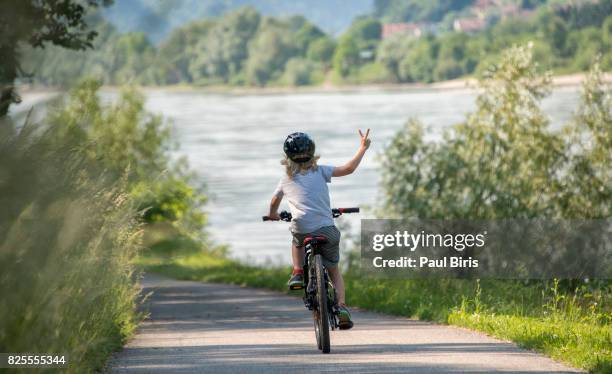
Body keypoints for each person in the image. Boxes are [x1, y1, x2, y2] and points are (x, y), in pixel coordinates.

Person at [266, 129, 371, 330]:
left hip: (302, 228)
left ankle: (297, 272)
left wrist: (273, 214)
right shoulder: (321, 171)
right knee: (333, 270)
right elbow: (348, 169)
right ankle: (341, 307)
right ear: (312, 153)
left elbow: (274, 201)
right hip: (327, 230)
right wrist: (362, 147)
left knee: (297, 240)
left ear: (287, 157)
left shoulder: (285, 180)